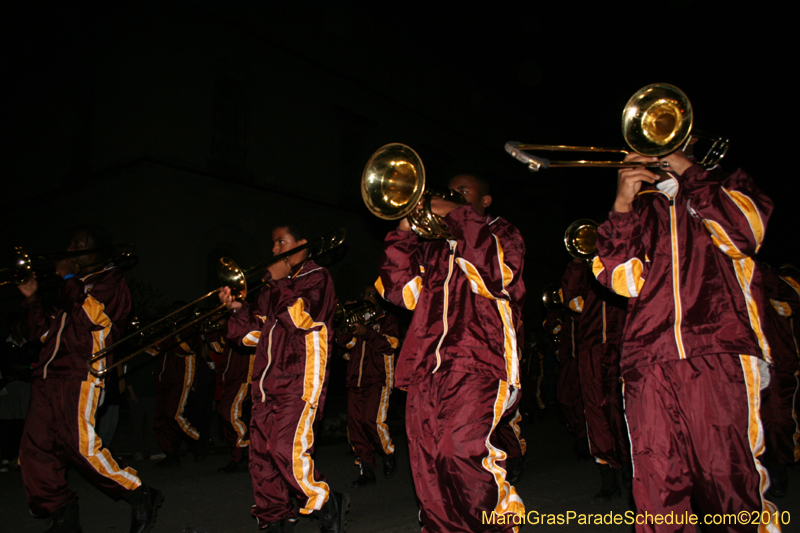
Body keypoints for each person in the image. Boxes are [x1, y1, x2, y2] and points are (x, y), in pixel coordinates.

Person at [593, 148, 779, 530]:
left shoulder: (725, 184)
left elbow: (745, 234)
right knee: (657, 491)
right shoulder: (641, 208)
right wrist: (622, 204)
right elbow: (621, 281)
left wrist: (689, 172)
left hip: (720, 350)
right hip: (648, 359)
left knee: (730, 486)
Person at [377, 174, 526, 532]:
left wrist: (458, 215)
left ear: (484, 200)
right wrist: (404, 230)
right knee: (429, 467)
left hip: (480, 360)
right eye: (447, 192)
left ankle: (500, 524)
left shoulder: (502, 232)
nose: (449, 197)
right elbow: (400, 293)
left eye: (462, 192)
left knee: (461, 452)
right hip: (424, 366)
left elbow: (496, 275)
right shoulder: (432, 247)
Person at [17, 226, 162, 533]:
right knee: (35, 451)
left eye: (79, 244)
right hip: (46, 377)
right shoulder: (70, 288)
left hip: (80, 374)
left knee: (80, 446)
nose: (71, 249)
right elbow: (41, 335)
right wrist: (31, 301)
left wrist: (69, 279)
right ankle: (63, 513)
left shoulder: (112, 280)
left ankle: (139, 493)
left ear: (97, 252)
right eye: (71, 243)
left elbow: (92, 318)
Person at [220, 223, 348, 533]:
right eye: (273, 243)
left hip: (300, 380)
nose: (274, 249)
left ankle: (327, 500)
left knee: (285, 449)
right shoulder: (271, 289)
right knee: (261, 457)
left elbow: (300, 320)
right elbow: (251, 337)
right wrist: (237, 309)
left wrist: (279, 282)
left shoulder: (318, 277)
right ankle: (274, 517)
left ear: (302, 243)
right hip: (265, 386)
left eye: (281, 242)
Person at [561, 258, 629, 500]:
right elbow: (572, 301)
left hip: (623, 343)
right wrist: (578, 262)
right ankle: (607, 475)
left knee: (621, 409)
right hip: (590, 347)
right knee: (595, 411)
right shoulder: (584, 269)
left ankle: (630, 465)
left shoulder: (622, 257)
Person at [335, 285, 399, 487]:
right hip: (355, 381)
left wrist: (367, 332)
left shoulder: (387, 320)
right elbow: (344, 344)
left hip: (378, 380)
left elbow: (390, 346)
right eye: (364, 294)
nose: (366, 298)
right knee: (355, 426)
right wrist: (345, 322)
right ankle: (367, 469)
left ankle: (388, 452)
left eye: (371, 295)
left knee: (370, 421)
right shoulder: (358, 320)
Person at [759, 263, 800, 498]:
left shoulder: (783, 275)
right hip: (749, 362)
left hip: (781, 363)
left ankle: (778, 469)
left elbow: (790, 295)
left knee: (779, 418)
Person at [206, 318, 254, 473]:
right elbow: (218, 347)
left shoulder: (248, 319)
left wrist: (226, 323)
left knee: (228, 413)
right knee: (231, 419)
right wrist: (210, 330)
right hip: (231, 377)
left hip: (243, 376)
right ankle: (238, 458)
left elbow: (247, 338)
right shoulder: (230, 327)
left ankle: (250, 445)